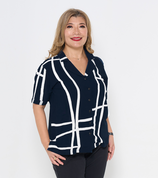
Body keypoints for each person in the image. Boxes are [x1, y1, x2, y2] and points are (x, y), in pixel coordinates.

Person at [31, 8, 115, 178]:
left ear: (87, 31)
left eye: (81, 26)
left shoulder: (97, 64)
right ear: (62, 31)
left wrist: (110, 133)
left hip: (98, 144)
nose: (76, 32)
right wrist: (47, 144)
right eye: (70, 26)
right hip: (66, 147)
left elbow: (101, 104)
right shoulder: (49, 68)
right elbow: (38, 105)